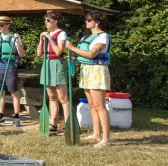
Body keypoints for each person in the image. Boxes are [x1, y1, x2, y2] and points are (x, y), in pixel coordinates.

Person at [66, 11, 112, 148]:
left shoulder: (103, 37)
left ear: (97, 22)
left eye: (89, 19)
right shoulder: (86, 37)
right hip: (86, 70)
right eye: (86, 19)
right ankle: (96, 134)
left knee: (100, 106)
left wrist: (72, 48)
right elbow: (83, 54)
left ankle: (106, 139)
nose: (86, 21)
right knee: (92, 105)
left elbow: (92, 54)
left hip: (97, 70)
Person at [35, 12, 69, 136]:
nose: (46, 23)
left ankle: (68, 124)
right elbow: (39, 54)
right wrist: (41, 39)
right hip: (47, 64)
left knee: (63, 98)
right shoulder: (47, 34)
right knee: (52, 97)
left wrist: (50, 38)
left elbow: (59, 51)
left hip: (57, 64)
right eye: (45, 20)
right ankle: (53, 123)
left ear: (55, 21)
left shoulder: (61, 34)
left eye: (48, 20)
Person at [0, 16, 26, 126]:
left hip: (10, 66)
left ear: (8, 25)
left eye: (2, 25)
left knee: (14, 92)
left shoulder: (14, 37)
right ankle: (0, 116)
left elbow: (22, 54)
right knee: (0, 93)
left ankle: (16, 117)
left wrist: (17, 42)